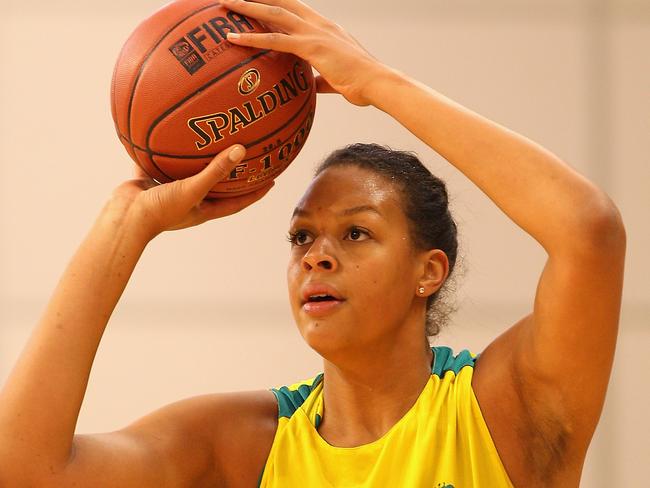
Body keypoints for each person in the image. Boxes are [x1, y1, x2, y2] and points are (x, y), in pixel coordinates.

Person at [0, 0, 626, 486]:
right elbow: (25, 470)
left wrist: (377, 82)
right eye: (301, 235)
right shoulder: (248, 445)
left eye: (357, 232)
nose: (316, 256)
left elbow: (588, 232)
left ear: (428, 271)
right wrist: (123, 228)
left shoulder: (501, 411)